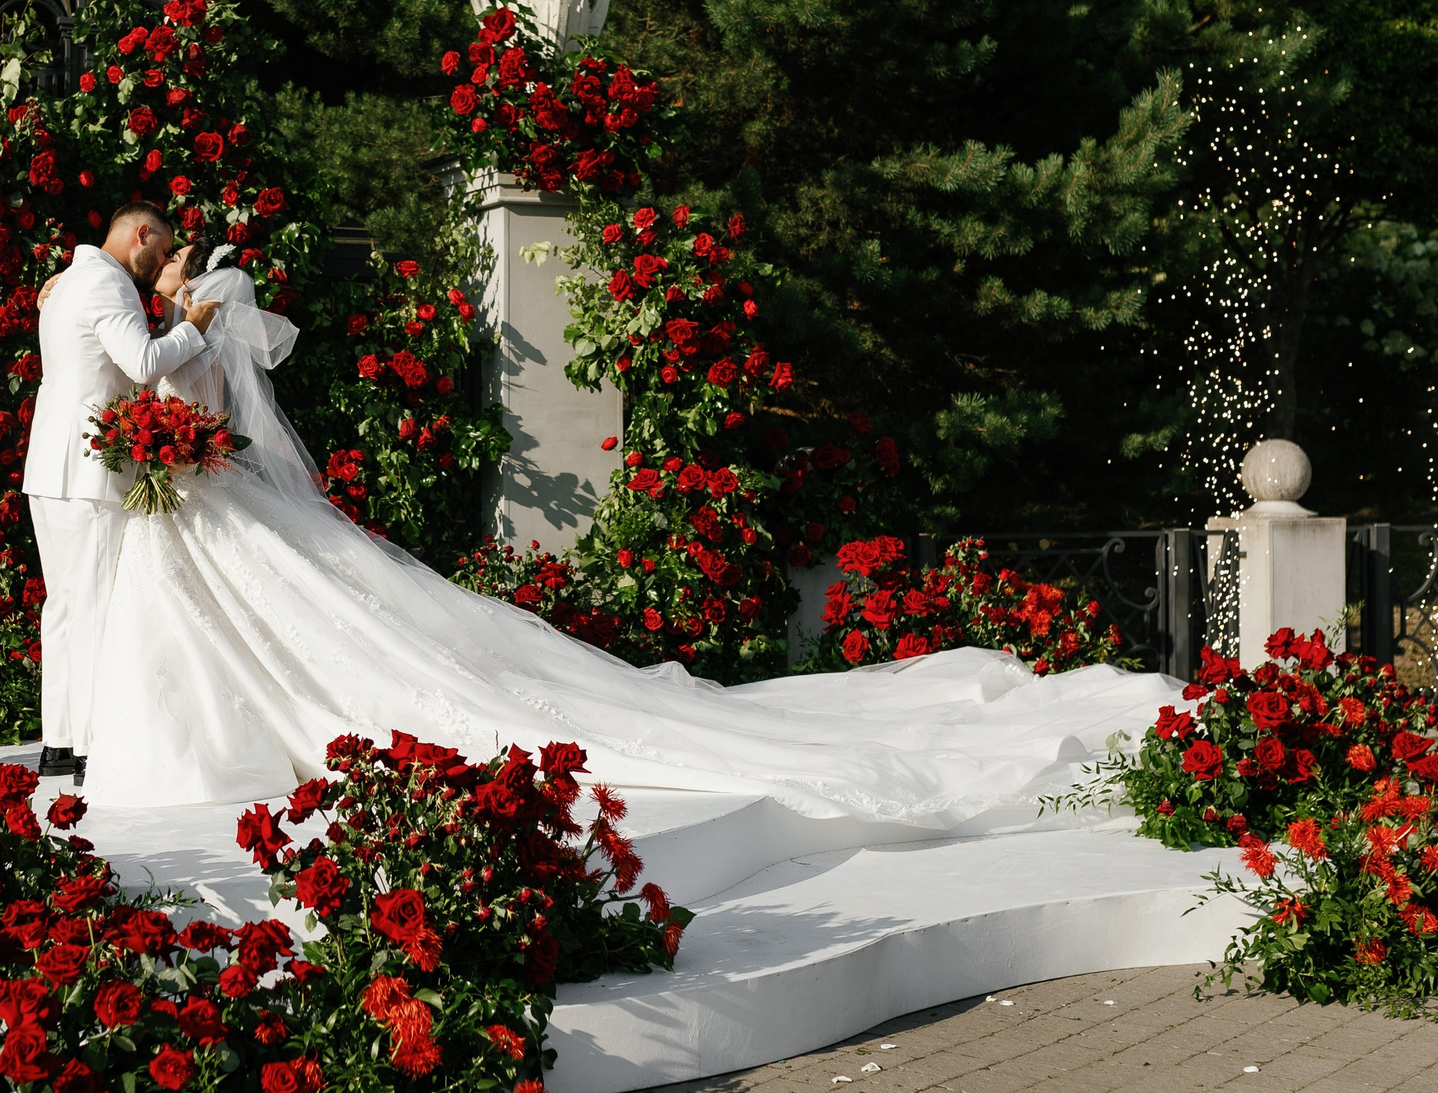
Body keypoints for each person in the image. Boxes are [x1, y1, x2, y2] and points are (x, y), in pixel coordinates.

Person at [79, 247, 1180, 841]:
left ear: (195, 292)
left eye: (172, 271)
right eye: (163, 265)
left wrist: (160, 423)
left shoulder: (192, 340)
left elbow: (182, 401)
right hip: (204, 501)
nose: (162, 274)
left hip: (204, 498)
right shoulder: (190, 339)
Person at [20, 203, 220, 779]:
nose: (163, 259)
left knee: (64, 605)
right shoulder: (106, 283)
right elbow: (142, 362)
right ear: (141, 234)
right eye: (164, 248)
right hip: (87, 471)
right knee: (91, 606)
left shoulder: (68, 281)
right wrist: (193, 328)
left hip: (51, 467)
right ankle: (88, 744)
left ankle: (59, 742)